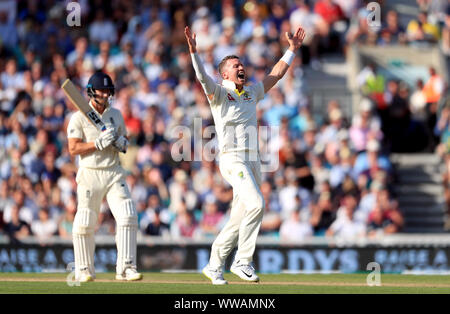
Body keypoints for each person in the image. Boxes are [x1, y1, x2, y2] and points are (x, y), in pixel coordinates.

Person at [185, 25, 305, 284]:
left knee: (239, 218)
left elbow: (276, 74)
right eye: (235, 65)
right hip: (232, 158)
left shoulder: (251, 93)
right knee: (257, 204)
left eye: (242, 64)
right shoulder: (218, 93)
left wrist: (292, 50)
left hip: (253, 161)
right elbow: (202, 78)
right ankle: (242, 261)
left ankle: (214, 265)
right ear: (225, 73)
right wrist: (194, 52)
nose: (241, 67)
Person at [67, 71, 142, 282]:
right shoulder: (78, 117)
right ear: (91, 92)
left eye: (109, 90)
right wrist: (96, 144)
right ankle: (83, 270)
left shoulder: (116, 114)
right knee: (85, 221)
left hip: (113, 171)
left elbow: (125, 141)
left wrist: (120, 142)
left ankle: (126, 268)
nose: (107, 94)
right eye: (103, 90)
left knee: (127, 215)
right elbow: (73, 149)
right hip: (90, 172)